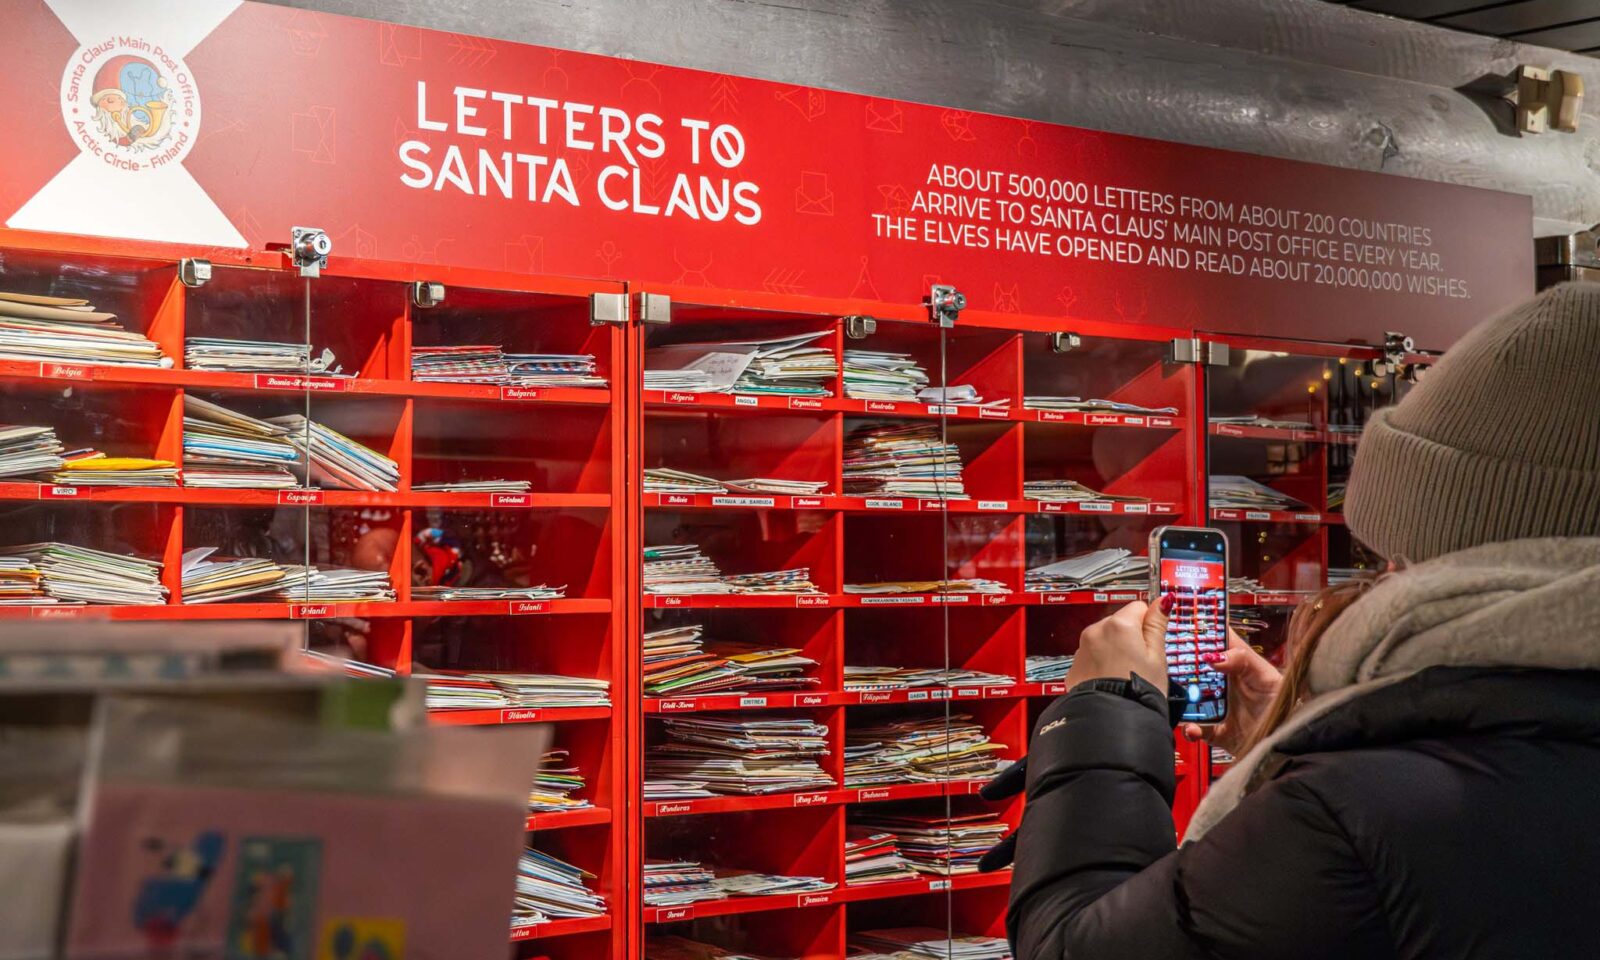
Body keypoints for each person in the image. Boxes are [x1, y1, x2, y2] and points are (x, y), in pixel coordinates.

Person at [982, 283, 1600, 958]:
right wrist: (1297, 742)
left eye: (1385, 551)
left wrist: (1105, 719)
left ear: (1446, 545)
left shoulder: (1353, 816)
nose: (1379, 577)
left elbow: (1076, 947)